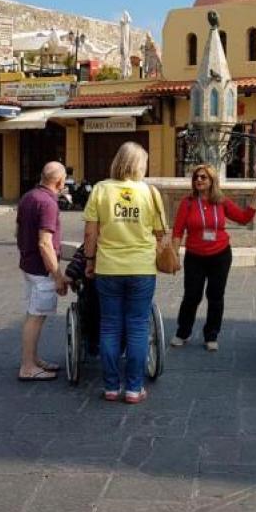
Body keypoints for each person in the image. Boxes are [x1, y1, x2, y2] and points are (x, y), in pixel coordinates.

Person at [83, 142, 164, 404]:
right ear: (140, 165)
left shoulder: (100, 190)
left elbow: (90, 233)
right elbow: (160, 233)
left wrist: (89, 260)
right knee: (138, 327)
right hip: (141, 267)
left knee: (110, 326)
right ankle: (133, 388)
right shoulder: (150, 193)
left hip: (108, 267)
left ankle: (110, 387)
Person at [170, 164, 256, 352]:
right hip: (195, 256)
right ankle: (183, 332)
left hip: (220, 255)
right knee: (192, 295)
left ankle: (211, 335)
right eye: (196, 177)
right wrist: (174, 255)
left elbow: (243, 218)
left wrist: (255, 199)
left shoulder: (221, 201)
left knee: (215, 296)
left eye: (203, 177)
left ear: (212, 180)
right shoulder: (187, 203)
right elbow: (178, 230)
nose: (199, 180)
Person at [15, 161, 69, 381]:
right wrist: (57, 275)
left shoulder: (28, 197)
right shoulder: (48, 203)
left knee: (34, 313)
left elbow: (17, 231)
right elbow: (45, 243)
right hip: (41, 268)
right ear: (60, 181)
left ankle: (33, 359)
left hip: (29, 264)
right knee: (36, 316)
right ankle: (27, 366)